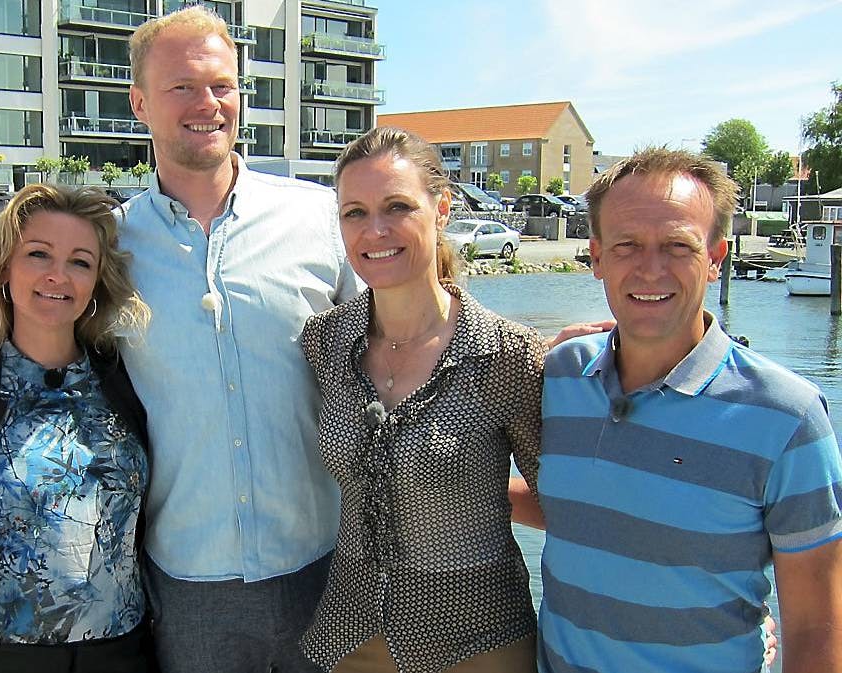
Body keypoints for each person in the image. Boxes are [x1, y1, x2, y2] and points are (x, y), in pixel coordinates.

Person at [117, 6, 360, 672]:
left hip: (327, 569)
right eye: (183, 87)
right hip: (188, 586)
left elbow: (405, 339)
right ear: (140, 103)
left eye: (222, 85)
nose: (208, 103)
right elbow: (28, 333)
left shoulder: (319, 217)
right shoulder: (107, 247)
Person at [536, 147, 842, 673]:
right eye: (627, 245)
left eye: (677, 246)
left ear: (717, 256)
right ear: (596, 257)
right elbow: (577, 502)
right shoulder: (563, 375)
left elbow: (817, 629)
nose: (650, 269)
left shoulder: (787, 416)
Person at [298, 127, 545, 673]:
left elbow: (568, 505)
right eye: (354, 212)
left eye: (397, 206)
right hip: (350, 635)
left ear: (443, 209)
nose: (375, 229)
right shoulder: (325, 344)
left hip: (479, 641)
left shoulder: (506, 354)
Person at [0, 184, 153, 673]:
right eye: (38, 254)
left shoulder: (125, 379)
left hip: (121, 653)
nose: (57, 275)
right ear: (5, 268)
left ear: (96, 281)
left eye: (80, 262)